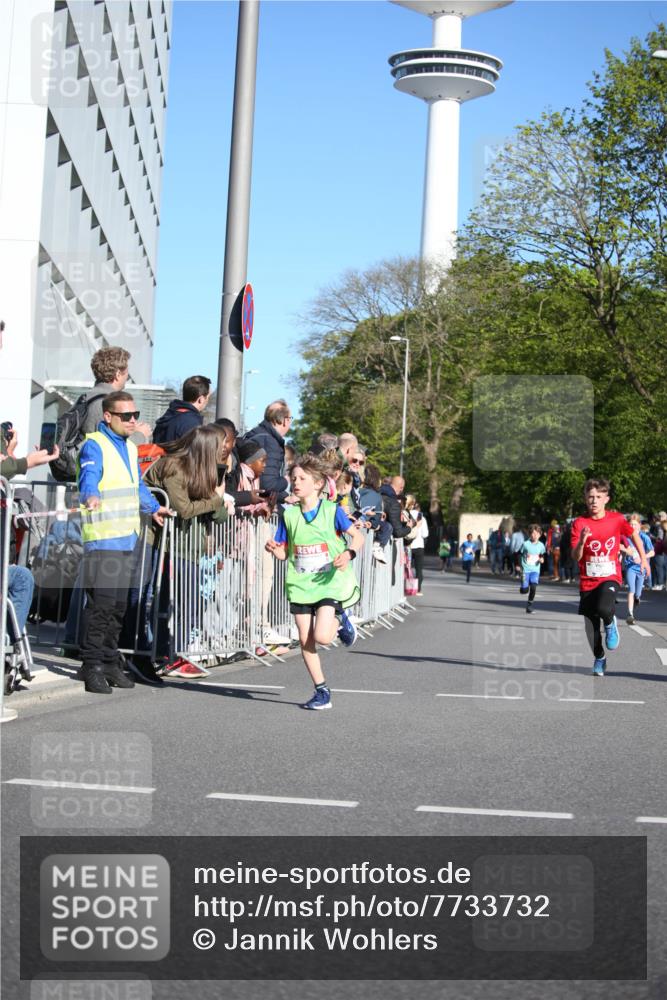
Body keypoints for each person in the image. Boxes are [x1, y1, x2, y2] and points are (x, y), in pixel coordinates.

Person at [77, 392, 170, 694]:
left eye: (135, 414)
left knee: (119, 608)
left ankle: (110, 660)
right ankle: (91, 666)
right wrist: (89, 494)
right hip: (103, 538)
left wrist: (154, 508)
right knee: (102, 608)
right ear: (108, 417)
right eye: (125, 416)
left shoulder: (130, 447)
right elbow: (89, 476)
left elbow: (136, 485)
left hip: (127, 537)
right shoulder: (95, 444)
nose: (133, 420)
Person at [265, 454, 363, 711]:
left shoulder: (332, 511)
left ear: (318, 483)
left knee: (321, 636)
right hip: (300, 584)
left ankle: (341, 617)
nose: (296, 482)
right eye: (293, 478)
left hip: (328, 581)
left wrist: (348, 553)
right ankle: (322, 692)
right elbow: (286, 551)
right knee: (305, 641)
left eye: (302, 478)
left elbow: (358, 538)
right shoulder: (288, 515)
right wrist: (276, 551)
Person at [140, 424, 235, 679]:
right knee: (171, 603)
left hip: (190, 546)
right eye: (221, 446)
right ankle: (169, 656)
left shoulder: (206, 470)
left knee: (189, 604)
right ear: (207, 448)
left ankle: (173, 654)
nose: (224, 451)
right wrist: (216, 499)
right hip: (168, 544)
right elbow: (183, 509)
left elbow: (220, 516)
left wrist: (218, 494)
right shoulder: (174, 466)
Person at [571, 478, 649, 677]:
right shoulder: (579, 523)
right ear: (585, 499)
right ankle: (599, 658)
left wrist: (643, 559)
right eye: (590, 497)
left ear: (607, 498)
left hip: (610, 576)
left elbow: (634, 536)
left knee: (604, 608)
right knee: (591, 629)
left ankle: (610, 622)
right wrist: (582, 541)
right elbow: (575, 556)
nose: (594, 501)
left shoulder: (616, 519)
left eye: (598, 497)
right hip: (588, 580)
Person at [244, 400, 296, 645]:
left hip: (258, 513)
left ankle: (257, 624)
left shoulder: (260, 435)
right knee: (263, 573)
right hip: (258, 516)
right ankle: (258, 626)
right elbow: (268, 482)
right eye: (290, 419)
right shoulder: (270, 441)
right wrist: (288, 484)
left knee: (258, 573)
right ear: (284, 420)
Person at [152, 375, 212, 445]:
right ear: (200, 399)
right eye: (207, 397)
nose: (207, 401)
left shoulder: (167, 417)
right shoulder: (192, 424)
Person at [620, 514, 654, 625]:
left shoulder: (644, 537)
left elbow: (652, 552)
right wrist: (623, 552)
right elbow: (620, 547)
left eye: (635, 524)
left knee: (637, 594)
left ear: (639, 525)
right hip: (630, 566)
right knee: (631, 590)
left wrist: (643, 557)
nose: (633, 526)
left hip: (641, 567)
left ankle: (637, 598)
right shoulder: (625, 536)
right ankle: (630, 614)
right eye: (631, 524)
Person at [519, 524, 546, 613]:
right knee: (524, 590)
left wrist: (542, 559)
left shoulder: (541, 545)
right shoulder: (525, 544)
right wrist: (517, 565)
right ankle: (523, 587)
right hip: (525, 570)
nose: (533, 535)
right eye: (531, 533)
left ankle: (529, 606)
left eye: (535, 533)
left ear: (539, 534)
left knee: (533, 587)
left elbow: (542, 554)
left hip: (535, 570)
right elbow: (518, 554)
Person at [406, 499, 429, 595]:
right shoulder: (421, 518)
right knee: (419, 569)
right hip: (419, 546)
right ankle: (418, 589)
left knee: (407, 567)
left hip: (408, 545)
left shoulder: (406, 514)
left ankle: (406, 587)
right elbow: (425, 534)